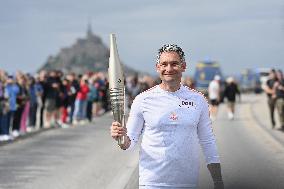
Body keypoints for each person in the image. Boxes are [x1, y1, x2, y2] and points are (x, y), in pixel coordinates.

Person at [110, 44, 224, 189]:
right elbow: (129, 143)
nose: (169, 69)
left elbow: (208, 141)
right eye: (164, 64)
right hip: (152, 183)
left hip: (187, 182)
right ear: (158, 67)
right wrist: (120, 138)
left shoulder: (198, 100)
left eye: (174, 64)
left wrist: (218, 180)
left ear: (183, 66)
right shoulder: (143, 100)